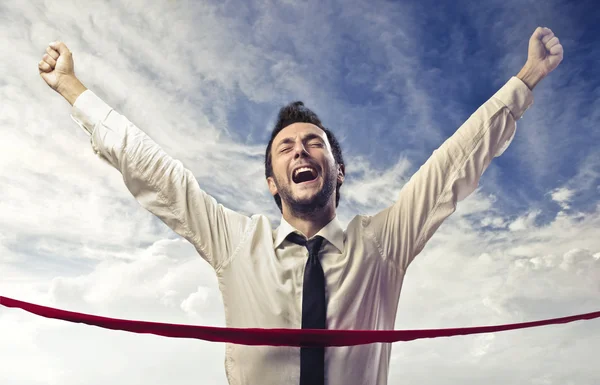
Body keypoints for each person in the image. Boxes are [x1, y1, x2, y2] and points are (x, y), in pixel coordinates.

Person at [38, 26, 563, 385]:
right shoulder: (236, 243)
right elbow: (156, 173)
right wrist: (71, 88)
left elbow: (453, 165)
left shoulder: (382, 244)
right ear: (272, 181)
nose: (301, 151)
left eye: (315, 143)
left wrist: (527, 78)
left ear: (339, 170)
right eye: (286, 148)